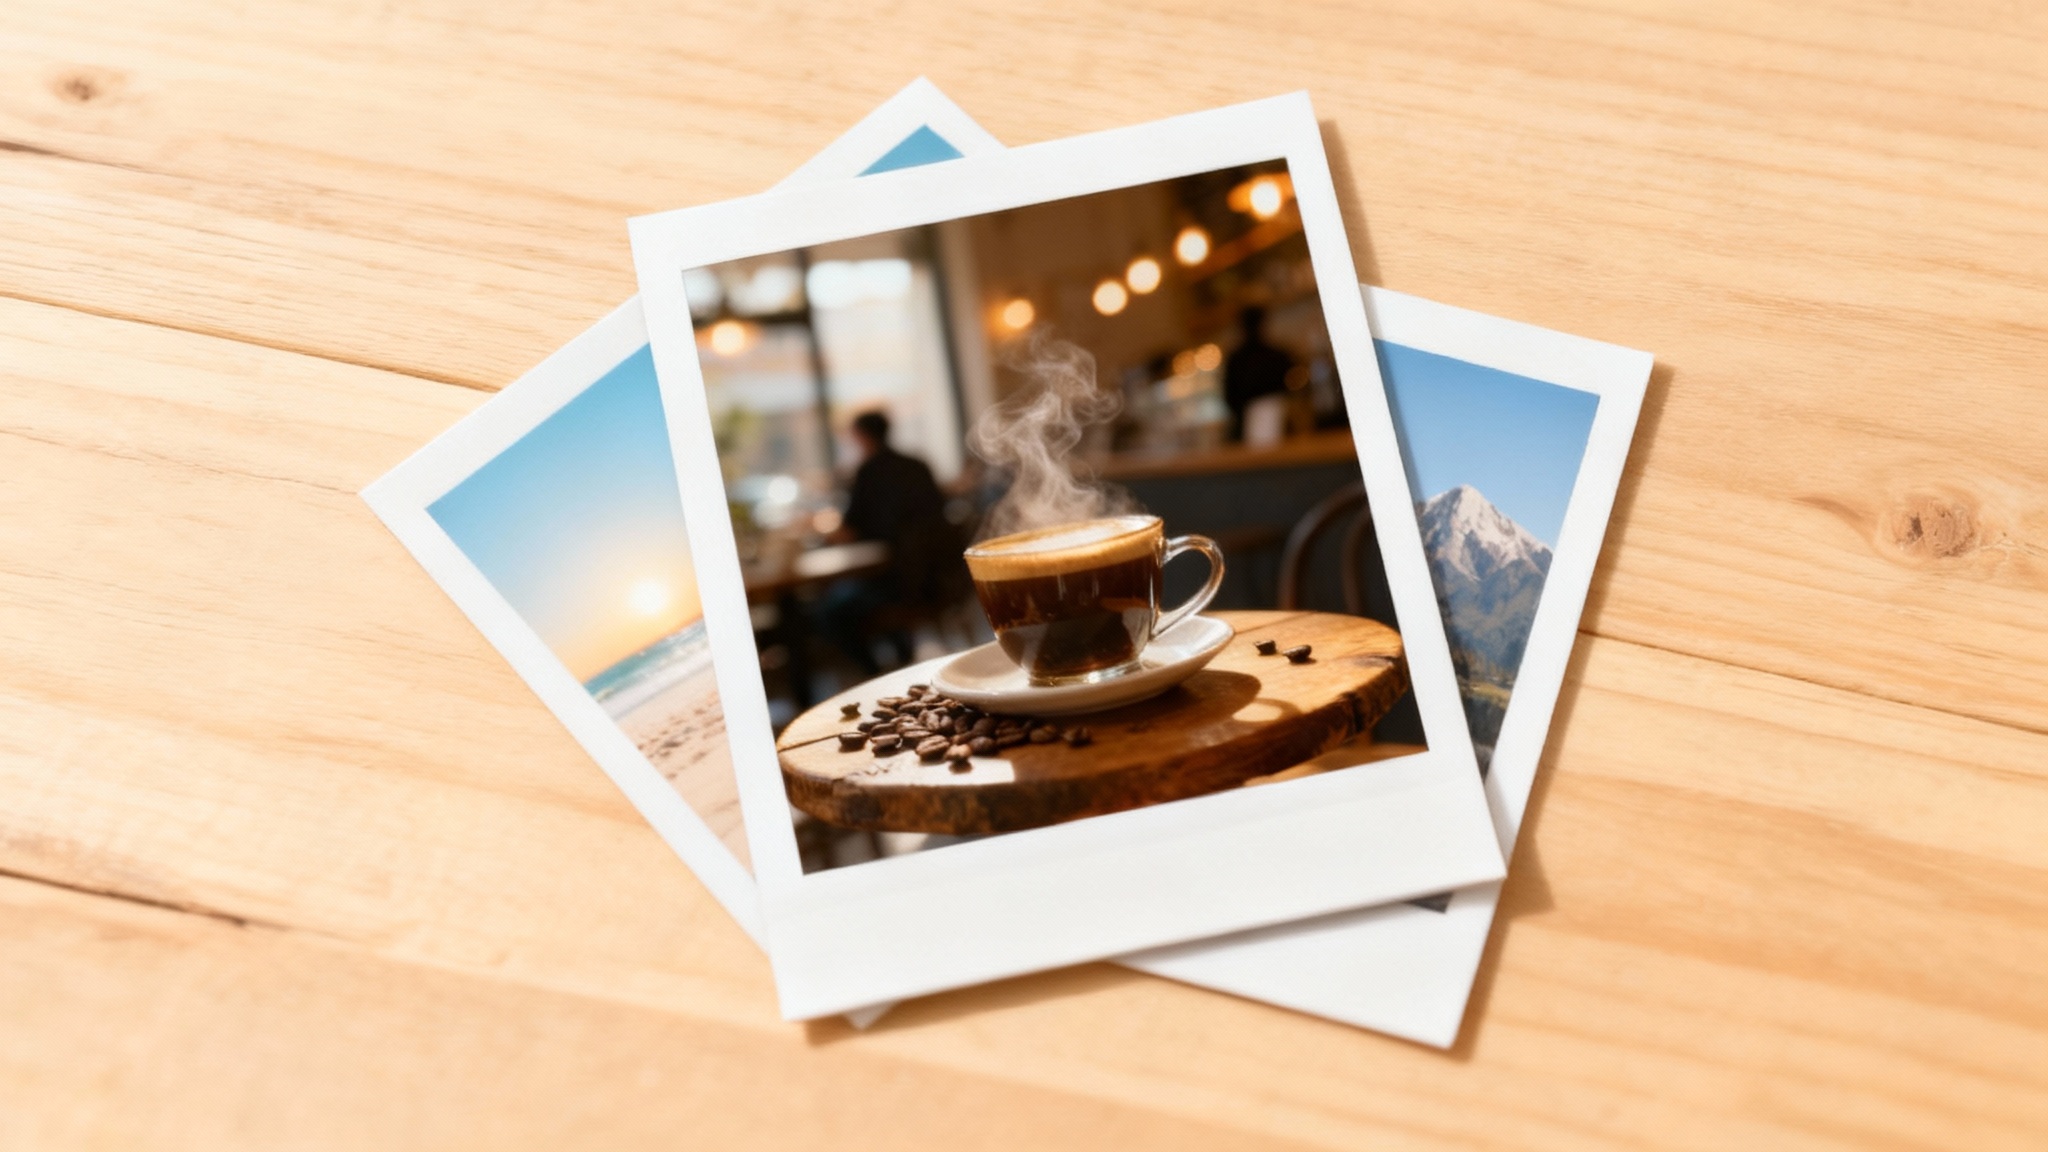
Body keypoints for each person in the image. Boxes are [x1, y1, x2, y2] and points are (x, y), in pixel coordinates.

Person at [816, 411, 965, 676]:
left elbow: (850, 530)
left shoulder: (868, 473)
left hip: (897, 582)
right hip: (940, 579)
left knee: (829, 612)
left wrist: (822, 529)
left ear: (861, 437)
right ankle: (902, 660)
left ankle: (875, 674)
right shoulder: (917, 465)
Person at [1222, 305, 1295, 442]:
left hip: (1248, 433)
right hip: (1283, 429)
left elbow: (1229, 398)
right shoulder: (1279, 355)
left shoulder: (1235, 360)